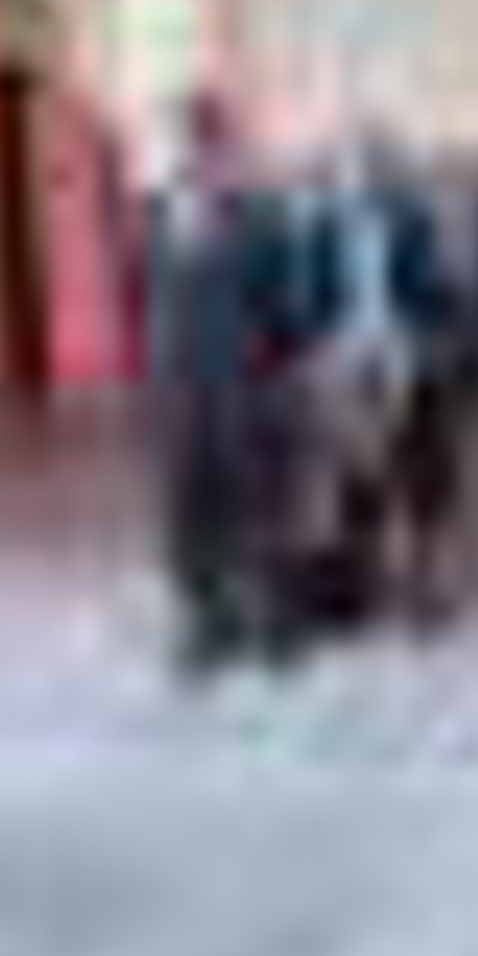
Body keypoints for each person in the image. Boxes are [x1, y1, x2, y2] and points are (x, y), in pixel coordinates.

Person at [138, 92, 304, 676]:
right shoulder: (154, 212)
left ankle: (274, 622)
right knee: (188, 513)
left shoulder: (259, 214)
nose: (199, 153)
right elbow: (143, 297)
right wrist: (157, 379)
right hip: (181, 390)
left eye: (210, 140)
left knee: (262, 507)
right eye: (190, 140)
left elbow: (284, 305)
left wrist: (278, 379)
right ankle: (205, 624)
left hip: (247, 386)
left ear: (226, 147)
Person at [293, 117, 467, 634]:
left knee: (421, 475)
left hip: (404, 358)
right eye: (353, 166)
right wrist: (322, 355)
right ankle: (360, 589)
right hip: (346, 363)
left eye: (373, 164)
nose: (362, 175)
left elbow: (442, 295)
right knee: (355, 477)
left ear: (390, 171)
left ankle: (424, 589)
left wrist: (419, 344)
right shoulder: (323, 228)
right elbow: (310, 305)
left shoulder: (418, 222)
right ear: (340, 175)